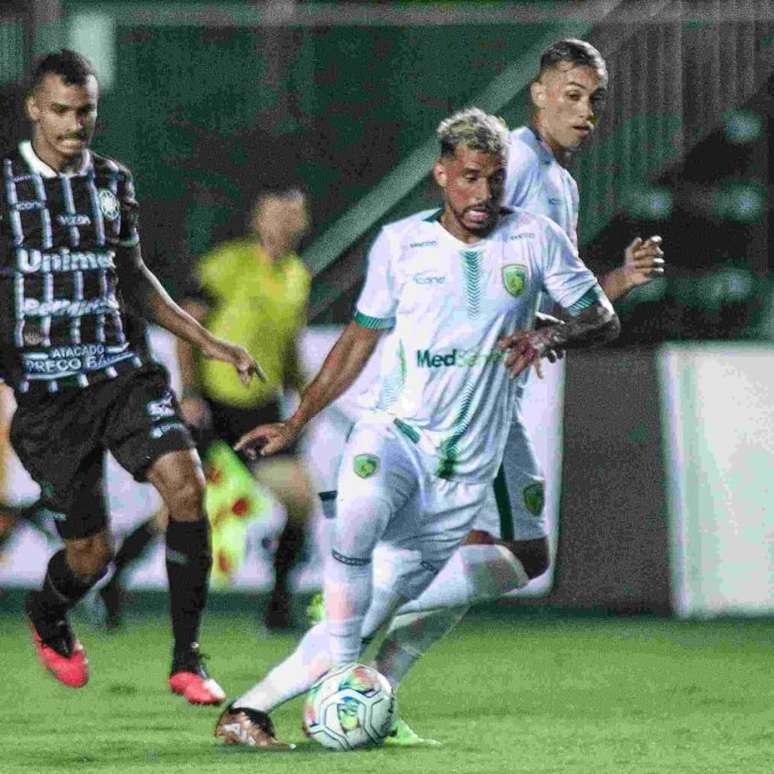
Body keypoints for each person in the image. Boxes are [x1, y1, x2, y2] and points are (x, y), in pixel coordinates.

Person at [211, 106, 620, 749]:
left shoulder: (536, 238)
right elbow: (356, 342)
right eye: (470, 178)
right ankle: (303, 680)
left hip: (471, 452)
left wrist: (550, 332)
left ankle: (288, 696)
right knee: (369, 541)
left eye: (494, 179)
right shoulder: (401, 243)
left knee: (467, 571)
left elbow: (600, 318)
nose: (483, 194)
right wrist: (297, 420)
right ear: (441, 175)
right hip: (397, 433)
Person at [359, 37, 666, 745]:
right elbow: (473, 259)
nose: (585, 111)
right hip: (471, 388)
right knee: (518, 555)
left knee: (504, 552)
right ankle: (361, 620)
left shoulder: (561, 182)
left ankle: (375, 677)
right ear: (538, 93)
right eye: (571, 94)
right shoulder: (519, 163)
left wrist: (614, 283)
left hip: (491, 385)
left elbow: (549, 297)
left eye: (593, 98)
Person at [3, 49, 262, 703]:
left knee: (185, 484)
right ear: (34, 108)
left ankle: (187, 660)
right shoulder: (5, 186)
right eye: (60, 111)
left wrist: (209, 341)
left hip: (120, 373)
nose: (73, 124)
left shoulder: (112, 182)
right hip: (47, 397)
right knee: (92, 553)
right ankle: (48, 610)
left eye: (85, 110)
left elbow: (134, 278)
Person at [96, 186, 316, 632]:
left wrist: (308, 396)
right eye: (277, 214)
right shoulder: (226, 265)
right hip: (212, 406)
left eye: (294, 215)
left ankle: (276, 609)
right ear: (258, 218)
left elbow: (289, 348)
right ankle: (110, 585)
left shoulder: (298, 275)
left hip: (260, 410)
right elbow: (187, 329)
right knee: (175, 509)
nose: (286, 224)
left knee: (299, 503)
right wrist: (192, 394)